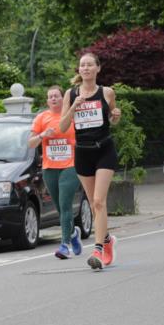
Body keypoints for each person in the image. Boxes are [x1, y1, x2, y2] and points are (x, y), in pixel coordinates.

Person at [59, 52, 121, 271]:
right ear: (79, 70)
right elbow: (63, 127)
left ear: (97, 69)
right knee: (96, 207)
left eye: (89, 65)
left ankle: (98, 250)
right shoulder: (71, 93)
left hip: (104, 150)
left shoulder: (107, 92)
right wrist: (75, 106)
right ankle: (107, 241)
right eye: (82, 65)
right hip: (83, 153)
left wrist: (116, 116)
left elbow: (112, 119)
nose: (85, 68)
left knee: (98, 201)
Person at [28, 85, 83, 259]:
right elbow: (30, 143)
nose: (53, 99)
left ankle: (65, 244)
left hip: (71, 165)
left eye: (56, 96)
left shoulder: (73, 116)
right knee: (60, 209)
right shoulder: (42, 118)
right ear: (47, 101)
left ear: (63, 99)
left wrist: (77, 145)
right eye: (50, 96)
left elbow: (85, 136)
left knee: (65, 204)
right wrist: (43, 135)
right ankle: (73, 233)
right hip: (50, 168)